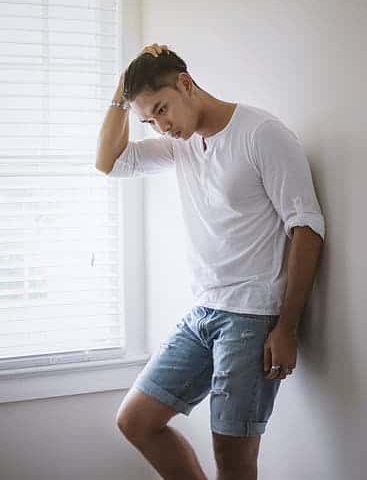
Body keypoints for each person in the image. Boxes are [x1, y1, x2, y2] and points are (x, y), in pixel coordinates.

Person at [97, 43, 325, 480]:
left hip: (252, 317)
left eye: (162, 110)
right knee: (136, 421)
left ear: (186, 83)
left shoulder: (261, 133)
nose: (161, 127)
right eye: (150, 120)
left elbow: (307, 229)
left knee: (233, 461)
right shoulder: (182, 145)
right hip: (203, 312)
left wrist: (288, 326)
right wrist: (122, 88)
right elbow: (110, 162)